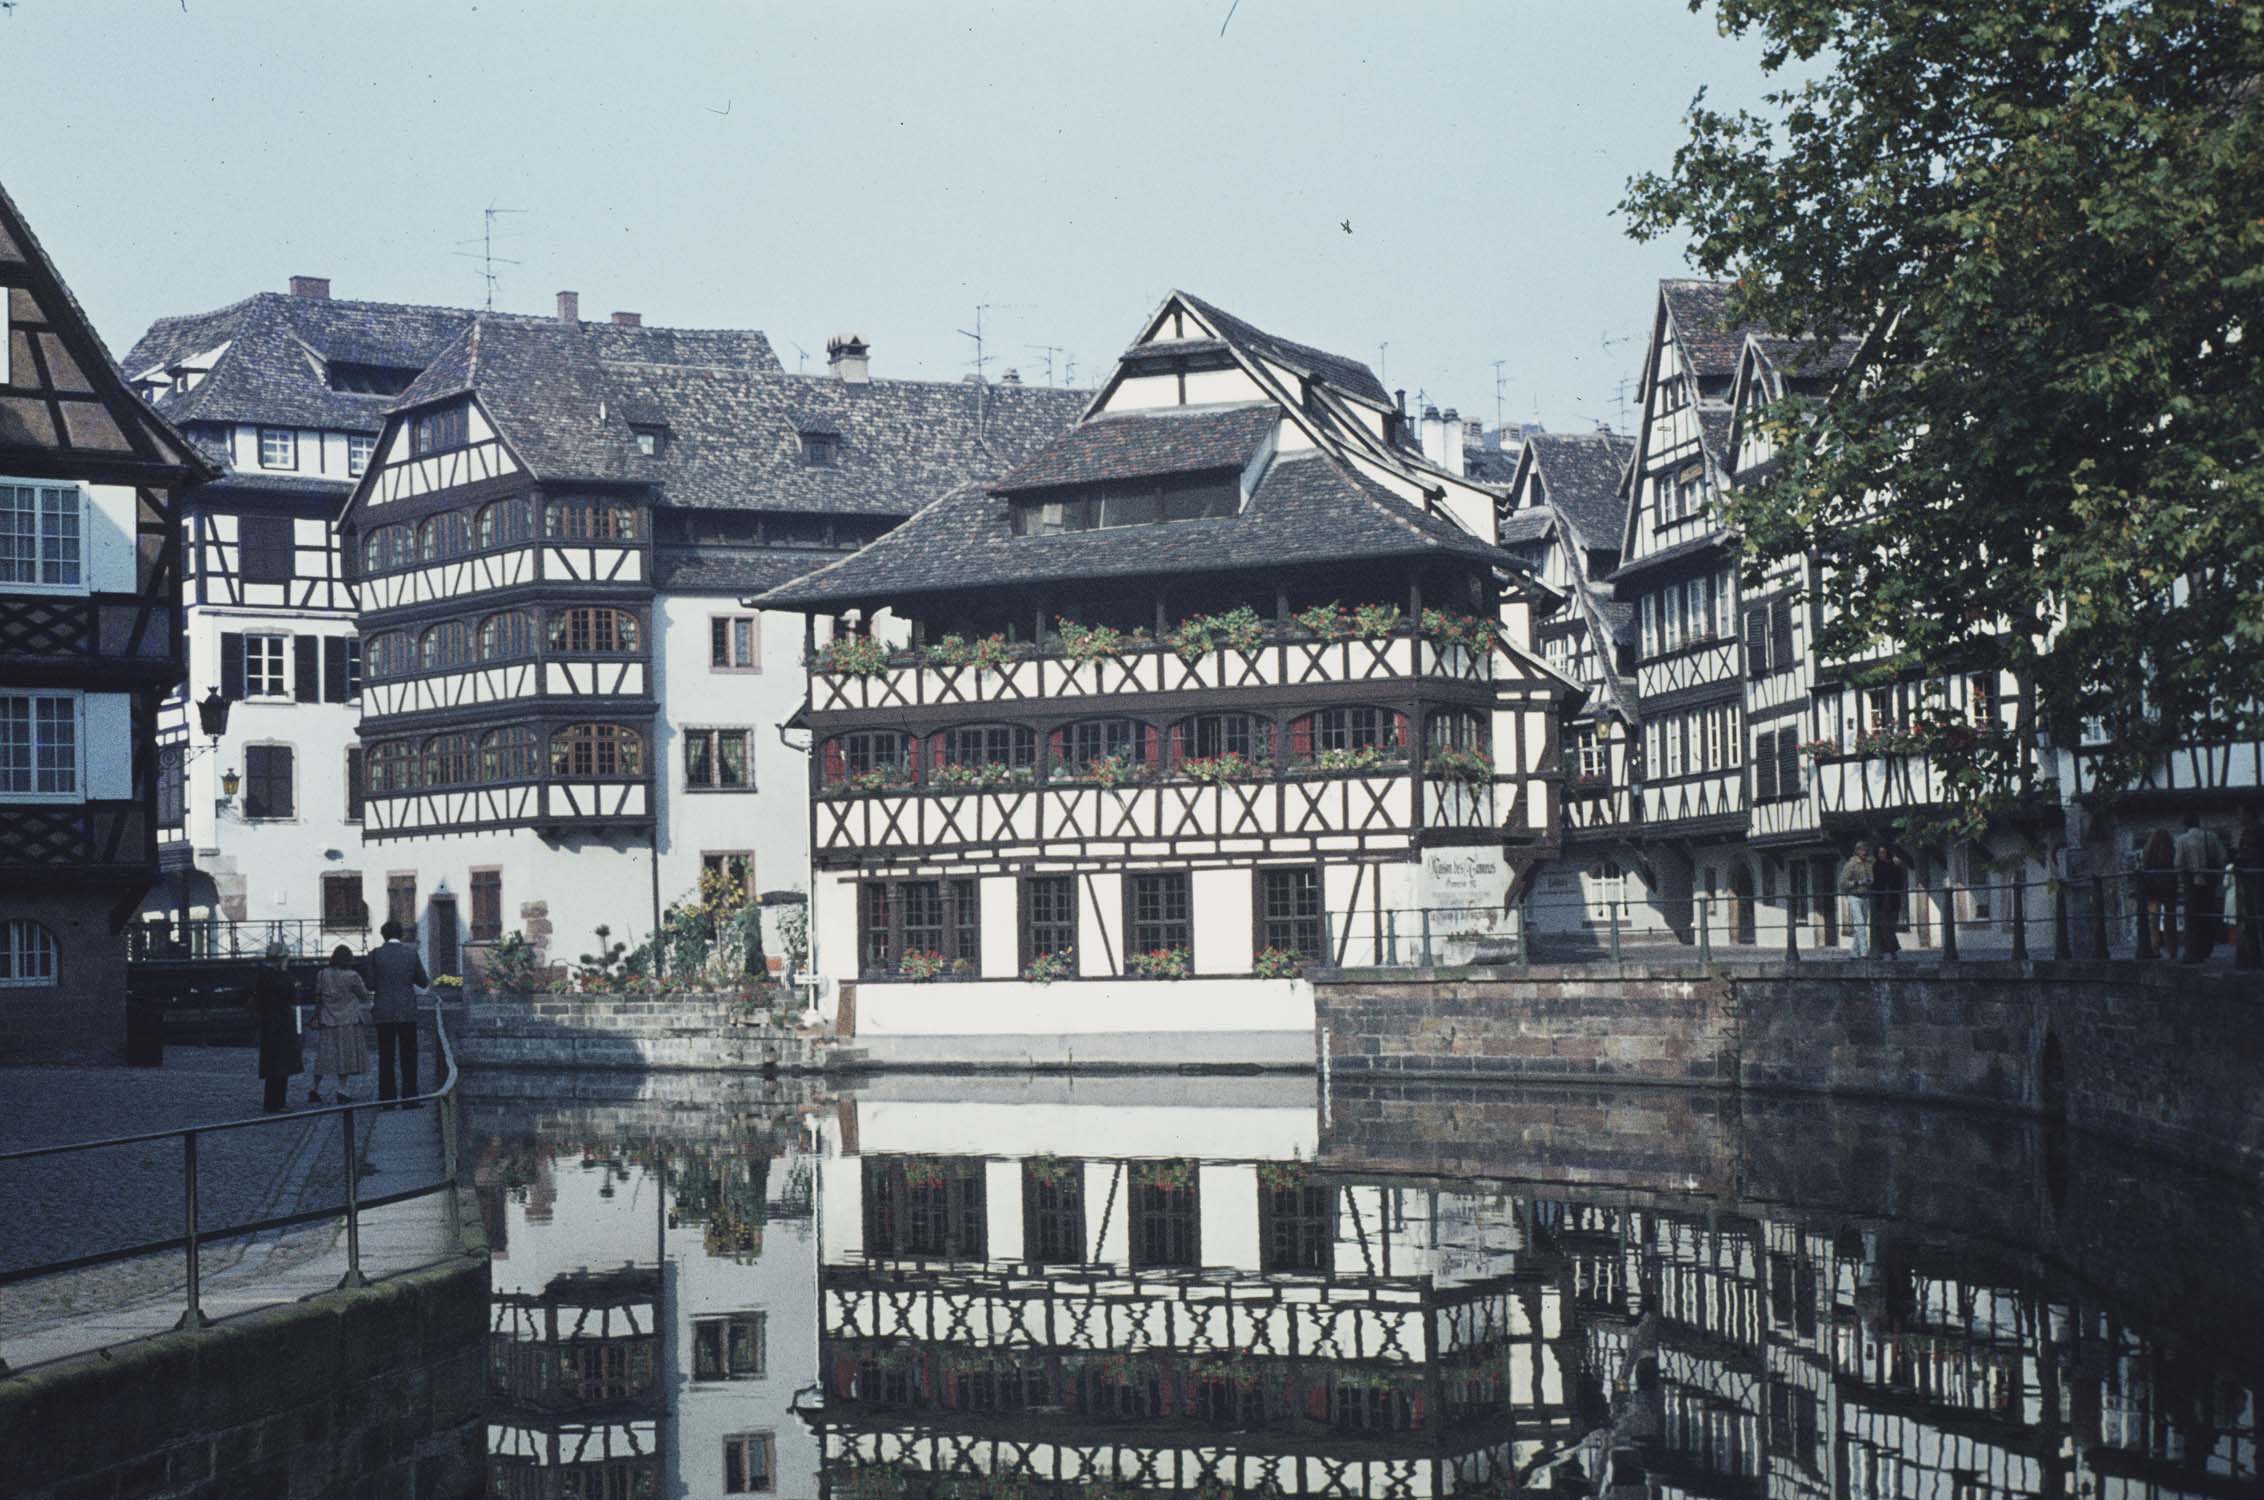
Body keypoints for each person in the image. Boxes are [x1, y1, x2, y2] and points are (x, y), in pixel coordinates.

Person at [369, 919, 430, 1107]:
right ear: (401, 935)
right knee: (409, 1055)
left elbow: (370, 984)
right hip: (407, 1010)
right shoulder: (411, 954)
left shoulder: (375, 955)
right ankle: (410, 1099)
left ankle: (387, 1100)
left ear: (383, 935)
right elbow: (423, 982)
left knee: (386, 1056)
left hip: (384, 1010)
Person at [309, 944, 373, 1104]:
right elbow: (365, 996)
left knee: (323, 1056)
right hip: (348, 1020)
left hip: (327, 1019)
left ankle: (314, 1088)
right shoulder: (352, 976)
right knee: (345, 1055)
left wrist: (316, 1016)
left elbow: (318, 997)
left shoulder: (322, 974)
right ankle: (342, 1089)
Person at [249, 941, 303, 1113]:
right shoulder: (277, 976)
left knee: (274, 1064)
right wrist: (292, 983)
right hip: (280, 1023)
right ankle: (277, 1102)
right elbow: (290, 993)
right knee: (281, 1064)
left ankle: (272, 1101)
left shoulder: (264, 975)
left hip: (270, 1023)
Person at [2173, 813, 2228, 964]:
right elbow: (2222, 857)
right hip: (2209, 882)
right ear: (2198, 823)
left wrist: (2184, 877)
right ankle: (2206, 949)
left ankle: (2193, 951)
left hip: (2191, 883)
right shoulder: (2211, 836)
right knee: (2208, 915)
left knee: (2192, 916)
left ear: (2185, 825)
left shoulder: (2181, 840)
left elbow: (2178, 863)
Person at [2140, 827, 2179, 959]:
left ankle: (2154, 948)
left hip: (2153, 887)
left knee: (2153, 919)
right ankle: (2172, 948)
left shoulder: (2148, 851)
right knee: (2170, 918)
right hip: (2169, 887)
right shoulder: (2170, 851)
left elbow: (2144, 867)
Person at [2235, 804, 2264, 971]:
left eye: (2241, 814)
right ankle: (2255, 958)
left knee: (2259, 917)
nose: (2238, 818)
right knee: (2250, 920)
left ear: (2249, 815)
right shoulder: (2245, 833)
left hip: (2258, 880)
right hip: (2248, 879)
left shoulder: (2259, 831)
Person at [1839, 840, 1877, 958]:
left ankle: (1854, 952)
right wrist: (1857, 883)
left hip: (1866, 896)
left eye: (1865, 850)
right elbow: (1843, 882)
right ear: (1857, 851)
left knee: (1862, 924)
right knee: (1860, 924)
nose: (1864, 852)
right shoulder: (1851, 864)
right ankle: (1864, 952)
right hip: (1854, 896)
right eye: (1862, 850)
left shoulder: (1869, 863)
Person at [1871, 838, 1906, 958]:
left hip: (1893, 898)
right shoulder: (1875, 866)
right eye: (1880, 852)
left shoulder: (1894, 864)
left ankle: (1890, 950)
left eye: (1884, 852)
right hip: (1881, 899)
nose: (1882, 854)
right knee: (1883, 926)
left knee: (1891, 925)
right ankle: (1892, 951)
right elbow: (1873, 882)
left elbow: (1900, 880)